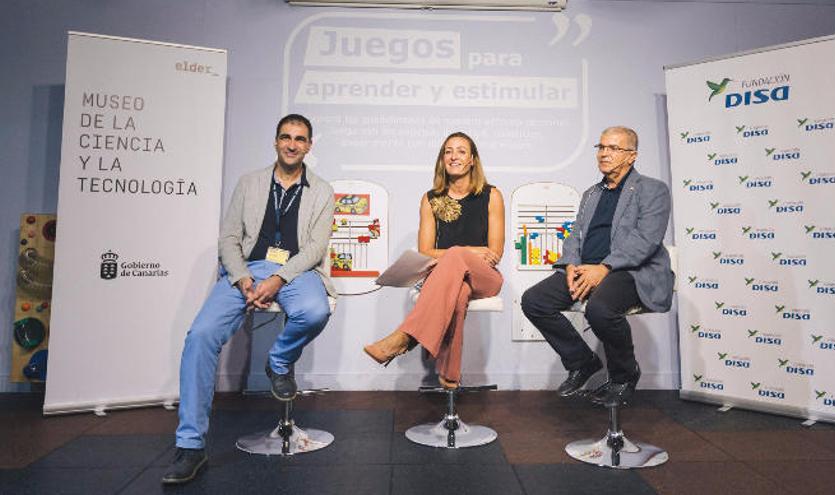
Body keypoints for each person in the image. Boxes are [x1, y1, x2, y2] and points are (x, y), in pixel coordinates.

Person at [162, 114, 335, 484]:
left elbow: (316, 247)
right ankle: (190, 446)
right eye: (286, 137)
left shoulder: (321, 190)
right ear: (275, 141)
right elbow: (228, 238)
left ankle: (279, 360)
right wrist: (242, 278)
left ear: (309, 146)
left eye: (300, 139)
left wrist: (277, 278)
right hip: (245, 269)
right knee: (200, 336)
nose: (292, 144)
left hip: (294, 271)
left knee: (316, 310)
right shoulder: (249, 183)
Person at [521, 126, 673, 406]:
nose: (604, 153)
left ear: (632, 156)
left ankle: (623, 376)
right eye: (601, 147)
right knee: (534, 301)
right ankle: (582, 362)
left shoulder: (653, 189)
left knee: (600, 310)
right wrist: (569, 265)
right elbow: (576, 233)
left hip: (629, 270)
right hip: (585, 268)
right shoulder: (592, 193)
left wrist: (603, 268)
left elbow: (646, 240)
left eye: (613, 148)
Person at [363, 132, 504, 389]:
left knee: (455, 254)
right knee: (458, 292)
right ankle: (450, 375)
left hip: (485, 277)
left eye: (461, 151)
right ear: (442, 159)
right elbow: (426, 251)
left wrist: (462, 253)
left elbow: (494, 252)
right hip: (449, 279)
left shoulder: (491, 195)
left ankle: (405, 337)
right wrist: (472, 251)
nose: (454, 156)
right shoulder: (430, 199)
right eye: (448, 151)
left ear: (473, 160)